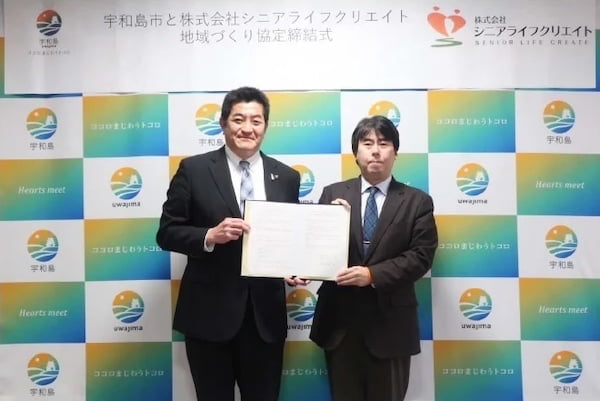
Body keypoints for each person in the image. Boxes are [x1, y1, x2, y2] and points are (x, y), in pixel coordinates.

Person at [156, 87, 303, 401]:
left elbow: (287, 239)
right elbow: (167, 232)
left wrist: (292, 267)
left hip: (265, 319)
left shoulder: (287, 177)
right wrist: (209, 235)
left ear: (265, 126)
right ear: (223, 123)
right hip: (209, 315)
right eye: (238, 119)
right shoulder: (193, 170)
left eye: (256, 121)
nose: (247, 128)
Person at [310, 115, 438, 401]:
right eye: (367, 143)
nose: (376, 151)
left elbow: (420, 257)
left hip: (390, 326)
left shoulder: (417, 201)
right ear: (356, 153)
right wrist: (330, 221)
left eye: (384, 143)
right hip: (339, 326)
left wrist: (372, 275)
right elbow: (316, 249)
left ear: (395, 152)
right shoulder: (333, 194)